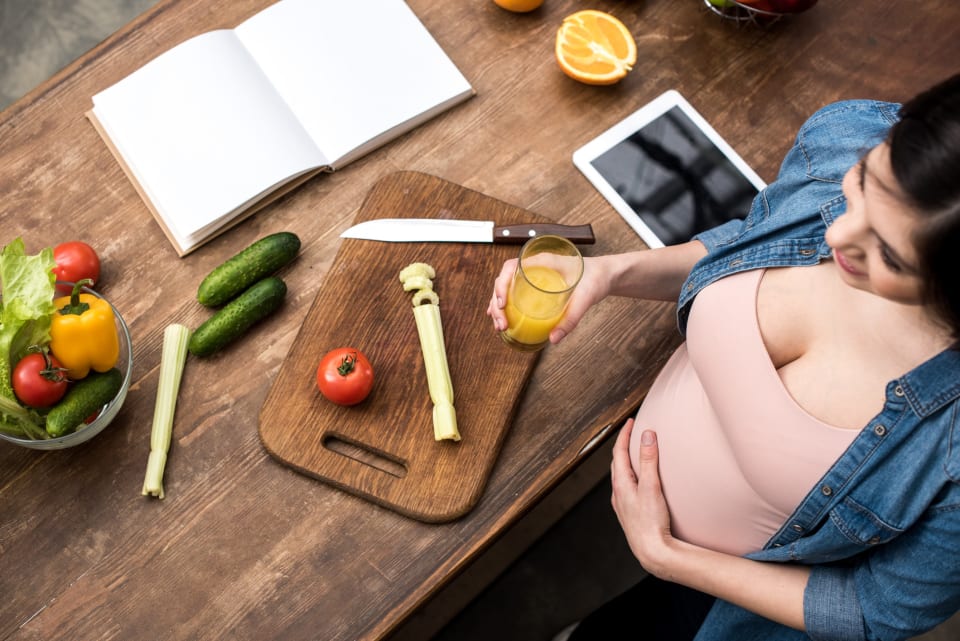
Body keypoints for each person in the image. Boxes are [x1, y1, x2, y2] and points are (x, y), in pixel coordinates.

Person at [487, 72, 960, 641]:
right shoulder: (847, 137)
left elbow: (876, 610)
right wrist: (611, 271)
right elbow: (752, 240)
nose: (838, 234)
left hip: (720, 597)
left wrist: (666, 558)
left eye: (886, 252)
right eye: (861, 184)